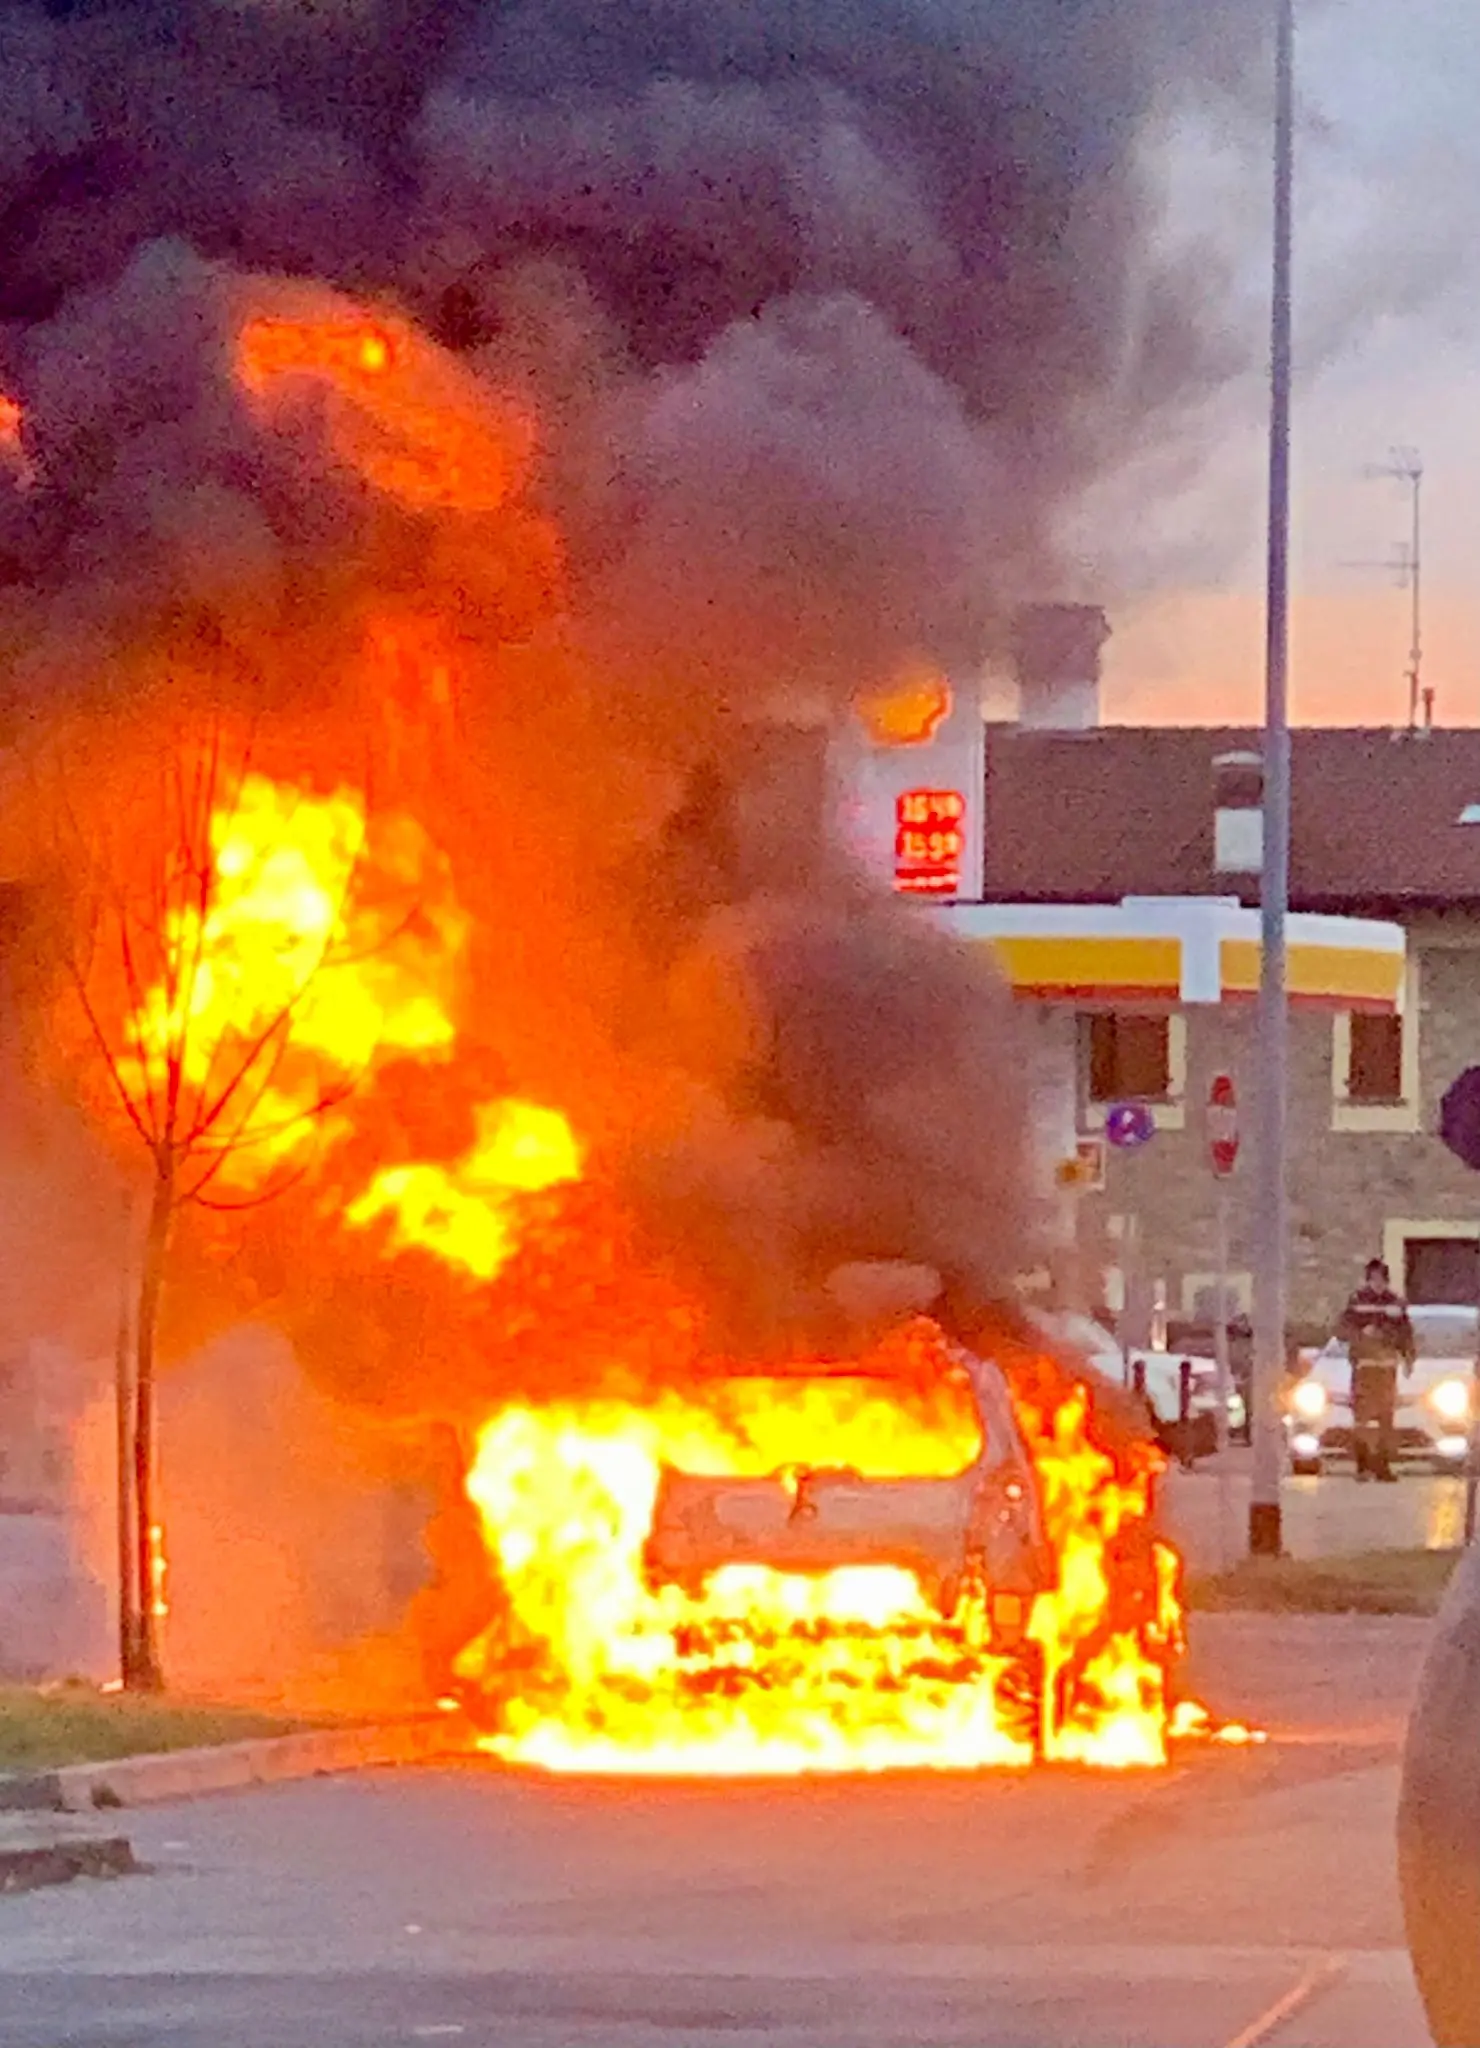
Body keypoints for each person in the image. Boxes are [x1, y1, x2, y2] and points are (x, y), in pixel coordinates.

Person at [1335, 1258, 1415, 1482]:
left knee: (1385, 1418)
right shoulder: (1357, 1300)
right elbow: (1343, 1329)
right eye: (1374, 1278)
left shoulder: (1396, 1303)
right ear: (1368, 1279)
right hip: (1364, 1367)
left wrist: (1408, 1358)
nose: (1378, 1282)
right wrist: (1362, 1335)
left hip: (1387, 1368)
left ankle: (1382, 1465)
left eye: (1381, 1278)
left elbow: (1406, 1332)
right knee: (1362, 1418)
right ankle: (1362, 1466)